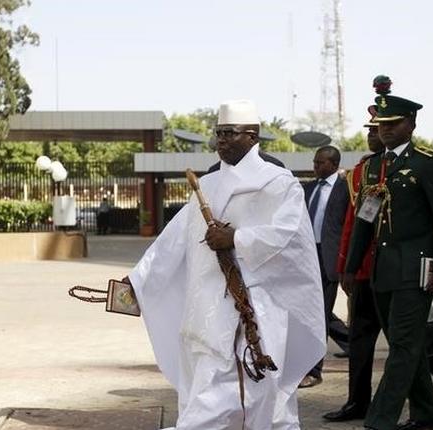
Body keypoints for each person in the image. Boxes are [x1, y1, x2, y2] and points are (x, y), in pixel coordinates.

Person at [125, 100, 326, 430]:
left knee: (260, 400)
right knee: (207, 392)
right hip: (205, 310)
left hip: (256, 312)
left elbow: (289, 240)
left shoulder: (278, 183)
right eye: (218, 133)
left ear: (251, 135)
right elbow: (172, 241)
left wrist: (237, 238)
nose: (221, 140)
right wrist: (138, 279)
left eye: (229, 133)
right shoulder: (207, 185)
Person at [344, 85, 433, 430]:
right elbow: (365, 220)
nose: (386, 129)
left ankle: (379, 420)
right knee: (404, 346)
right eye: (381, 124)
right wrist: (350, 269)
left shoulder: (427, 164)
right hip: (382, 271)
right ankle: (427, 414)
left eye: (393, 123)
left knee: (403, 348)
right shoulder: (371, 169)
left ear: (411, 123)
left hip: (416, 270)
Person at [323, 108, 384, 421]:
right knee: (359, 342)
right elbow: (352, 223)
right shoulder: (362, 170)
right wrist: (346, 265)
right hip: (363, 271)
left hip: (397, 271)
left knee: (416, 340)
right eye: (370, 130)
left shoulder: (414, 166)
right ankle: (357, 402)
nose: (371, 136)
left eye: (377, 130)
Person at [300, 145, 350, 389]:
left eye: (320, 163)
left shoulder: (345, 189)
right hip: (307, 256)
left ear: (333, 164)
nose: (315, 166)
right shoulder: (308, 188)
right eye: (314, 162)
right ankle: (352, 343)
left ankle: (314, 370)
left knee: (318, 315)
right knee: (316, 311)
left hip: (329, 259)